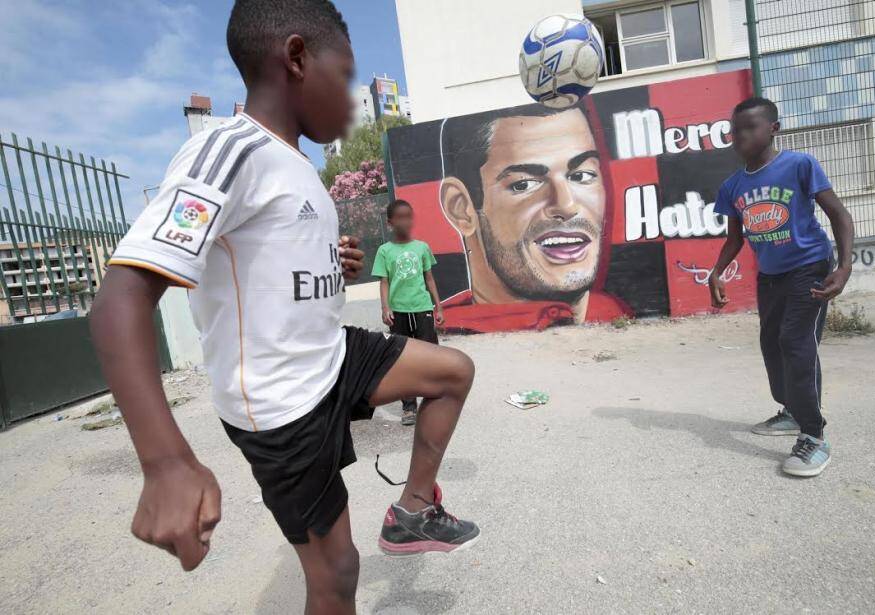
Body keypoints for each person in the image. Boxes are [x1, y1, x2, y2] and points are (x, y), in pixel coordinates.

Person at [89, 2, 479, 612]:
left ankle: (412, 510)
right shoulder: (227, 151)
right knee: (337, 571)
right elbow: (120, 297)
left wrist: (336, 262)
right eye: (345, 74)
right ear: (296, 58)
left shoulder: (298, 164)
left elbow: (272, 255)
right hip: (279, 401)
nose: (350, 95)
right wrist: (165, 461)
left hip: (329, 355)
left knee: (452, 371)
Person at [708, 96, 854, 478]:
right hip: (770, 276)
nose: (738, 135)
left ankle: (814, 436)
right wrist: (716, 272)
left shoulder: (799, 165)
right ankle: (792, 410)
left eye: (749, 127)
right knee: (771, 346)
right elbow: (735, 238)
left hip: (810, 268)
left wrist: (844, 266)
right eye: (734, 129)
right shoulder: (733, 186)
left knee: (795, 341)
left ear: (773, 129)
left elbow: (839, 214)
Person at [438, 104, 631, 333]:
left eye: (581, 176)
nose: (566, 205)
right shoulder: (454, 330)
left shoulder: (612, 311)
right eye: (524, 184)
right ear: (461, 208)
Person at [372, 199, 444, 426]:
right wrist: (385, 306)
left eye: (409, 216)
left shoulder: (421, 247)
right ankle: (409, 406)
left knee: (430, 355)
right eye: (400, 217)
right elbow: (384, 282)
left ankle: (434, 400)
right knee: (401, 358)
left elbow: (429, 278)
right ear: (390, 222)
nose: (405, 221)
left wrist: (438, 306)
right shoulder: (385, 250)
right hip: (399, 312)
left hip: (422, 307)